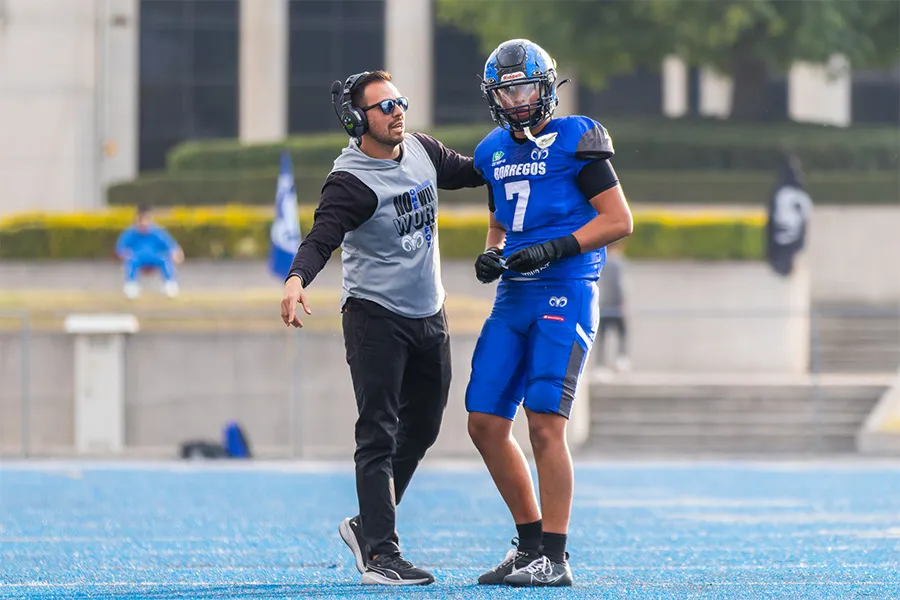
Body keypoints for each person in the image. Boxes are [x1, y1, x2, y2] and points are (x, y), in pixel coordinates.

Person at [279, 70, 485, 586]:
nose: (398, 112)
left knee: (426, 427)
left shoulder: (420, 149)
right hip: (375, 316)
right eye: (385, 106)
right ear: (356, 120)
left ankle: (366, 524)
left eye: (400, 102)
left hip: (428, 314)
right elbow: (320, 237)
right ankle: (381, 555)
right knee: (378, 431)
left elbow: (470, 171)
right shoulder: (350, 181)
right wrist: (296, 279)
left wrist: (523, 153)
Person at [466, 39, 633, 587]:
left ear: (546, 87)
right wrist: (493, 251)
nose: (516, 100)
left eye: (525, 87)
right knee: (485, 422)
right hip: (514, 296)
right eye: (506, 90)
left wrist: (556, 247)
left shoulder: (576, 136)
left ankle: (555, 558)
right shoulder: (491, 148)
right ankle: (529, 543)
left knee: (544, 424)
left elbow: (618, 220)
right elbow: (499, 215)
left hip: (566, 288)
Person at [115, 204, 184, 299]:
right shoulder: (130, 233)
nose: (144, 222)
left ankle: (170, 285)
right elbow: (120, 248)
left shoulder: (157, 232)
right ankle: (131, 287)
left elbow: (171, 246)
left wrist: (175, 253)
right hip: (137, 258)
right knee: (131, 261)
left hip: (155, 258)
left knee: (165, 260)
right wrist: (124, 254)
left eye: (146, 219)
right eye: (141, 219)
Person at [598, 241, 630, 372]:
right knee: (621, 335)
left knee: (602, 338)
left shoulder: (601, 261)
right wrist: (622, 304)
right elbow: (619, 286)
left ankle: (600, 366)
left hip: (603, 306)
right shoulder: (617, 263)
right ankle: (621, 361)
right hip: (615, 307)